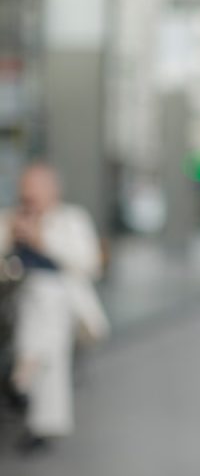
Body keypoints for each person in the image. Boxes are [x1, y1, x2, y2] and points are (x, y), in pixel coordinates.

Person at [0, 162, 109, 452]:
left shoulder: (71, 219)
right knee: (40, 354)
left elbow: (89, 263)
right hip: (21, 300)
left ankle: (24, 383)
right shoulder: (13, 219)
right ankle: (24, 383)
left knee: (45, 353)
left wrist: (41, 239)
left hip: (62, 302)